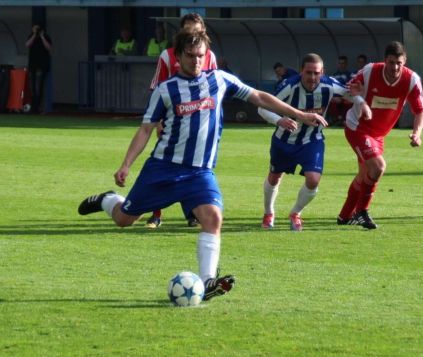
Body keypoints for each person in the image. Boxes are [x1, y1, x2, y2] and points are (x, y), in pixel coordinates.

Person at [77, 30, 327, 301]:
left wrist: (300, 114)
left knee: (213, 218)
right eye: (191, 55)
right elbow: (146, 129)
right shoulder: (166, 90)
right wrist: (126, 164)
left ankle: (208, 282)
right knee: (125, 219)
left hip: (200, 173)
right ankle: (107, 199)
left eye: (201, 56)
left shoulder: (219, 79)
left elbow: (258, 96)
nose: (197, 61)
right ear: (179, 56)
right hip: (163, 168)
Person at [336, 41, 423, 230]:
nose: (394, 67)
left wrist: (417, 133)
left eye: (398, 63)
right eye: (391, 62)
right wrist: (362, 102)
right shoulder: (370, 71)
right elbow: (347, 91)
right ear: (385, 60)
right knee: (378, 167)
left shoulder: (411, 80)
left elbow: (420, 110)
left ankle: (345, 216)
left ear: (405, 62)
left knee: (364, 175)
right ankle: (362, 211)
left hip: (377, 134)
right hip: (357, 128)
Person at [258, 53, 353, 231]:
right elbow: (262, 107)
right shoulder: (288, 86)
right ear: (301, 71)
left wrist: (362, 103)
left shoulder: (329, 84)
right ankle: (268, 212)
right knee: (275, 176)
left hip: (312, 140)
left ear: (322, 72)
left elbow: (352, 93)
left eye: (316, 73)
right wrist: (279, 121)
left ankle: (295, 213)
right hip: (284, 140)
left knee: (313, 179)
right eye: (308, 72)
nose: (312, 77)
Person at [146, 12, 218, 229]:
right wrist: (158, 121)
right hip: (173, 119)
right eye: (188, 30)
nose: (193, 34)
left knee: (196, 167)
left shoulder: (209, 56)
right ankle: (156, 213)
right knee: (164, 164)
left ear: (203, 31)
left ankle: (193, 213)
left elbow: (215, 88)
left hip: (200, 120)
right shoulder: (168, 56)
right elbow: (158, 87)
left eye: (197, 30)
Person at [25, 24, 52, 114]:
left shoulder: (46, 37)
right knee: (33, 88)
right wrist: (34, 35)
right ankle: (34, 107)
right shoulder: (31, 36)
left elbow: (49, 48)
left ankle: (39, 107)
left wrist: (42, 36)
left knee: (39, 87)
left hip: (42, 65)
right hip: (33, 65)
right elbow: (27, 44)